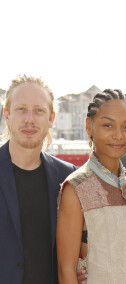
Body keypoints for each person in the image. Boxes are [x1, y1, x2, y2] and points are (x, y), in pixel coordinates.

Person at [56, 89, 126, 284]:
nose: (118, 135)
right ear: (89, 126)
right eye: (108, 125)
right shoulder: (76, 188)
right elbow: (65, 270)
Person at [0, 75, 76, 284]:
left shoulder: (68, 177)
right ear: (7, 115)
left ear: (51, 118)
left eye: (39, 110)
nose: (29, 119)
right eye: (21, 109)